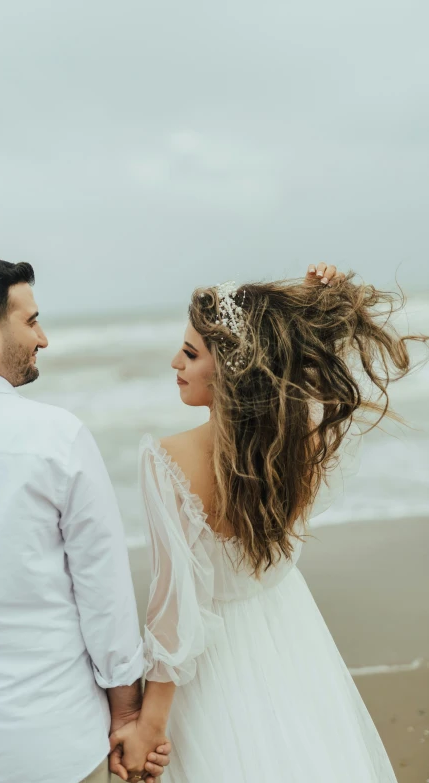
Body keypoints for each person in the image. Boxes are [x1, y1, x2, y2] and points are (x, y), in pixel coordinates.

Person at [110, 263, 424, 782]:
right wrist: (321, 302)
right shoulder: (303, 440)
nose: (175, 362)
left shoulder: (170, 459)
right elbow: (307, 377)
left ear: (232, 366)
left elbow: (176, 608)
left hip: (216, 670)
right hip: (292, 636)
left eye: (191, 353)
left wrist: (150, 725)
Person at [0, 256, 169, 783]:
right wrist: (126, 713)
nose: (43, 338)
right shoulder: (56, 437)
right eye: (30, 321)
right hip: (49, 745)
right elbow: (104, 595)